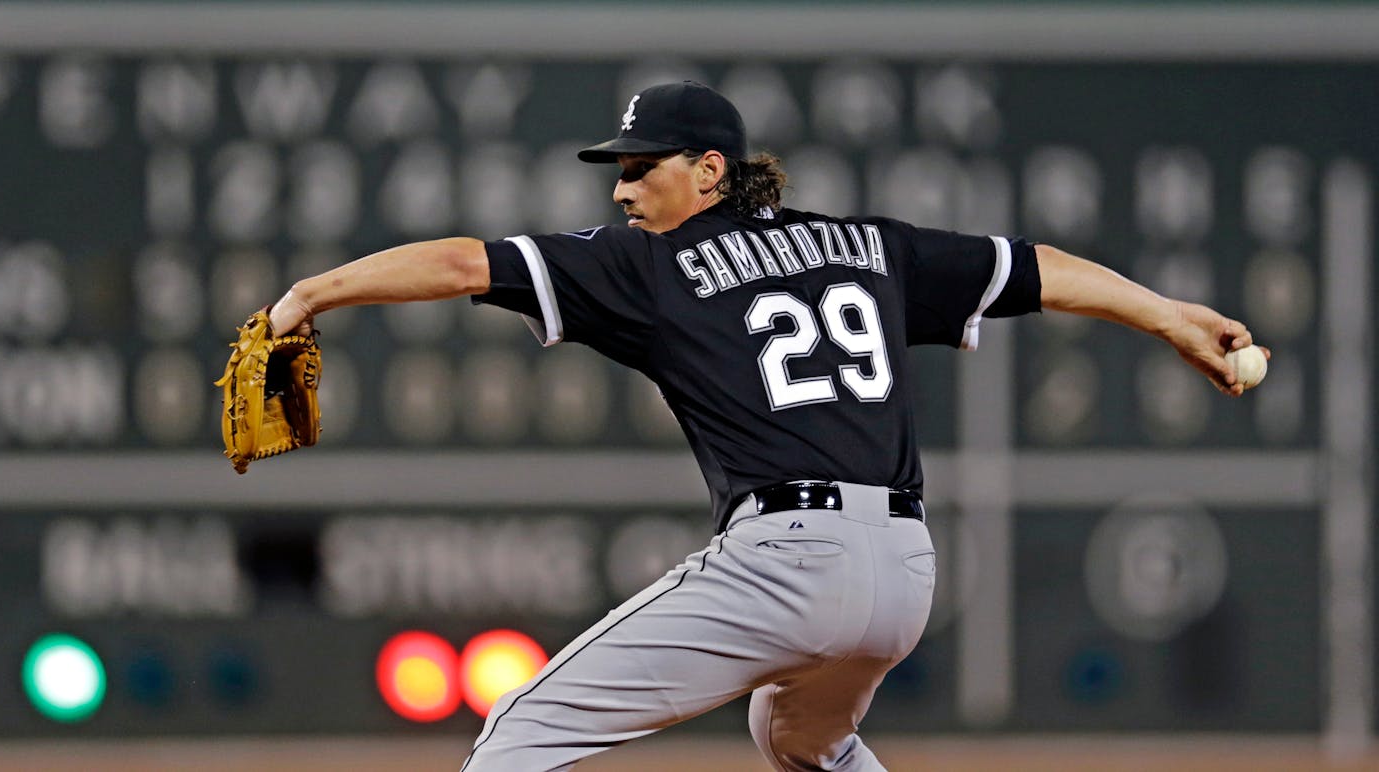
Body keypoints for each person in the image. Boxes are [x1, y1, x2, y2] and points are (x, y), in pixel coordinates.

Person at [262, 81, 1266, 771]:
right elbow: (1035, 268)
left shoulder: (645, 264)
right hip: (906, 570)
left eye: (640, 166)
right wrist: (1171, 313)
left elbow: (458, 265)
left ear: (709, 169)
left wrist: (313, 292)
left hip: (788, 557)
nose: (619, 187)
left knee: (520, 730)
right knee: (800, 739)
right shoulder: (870, 244)